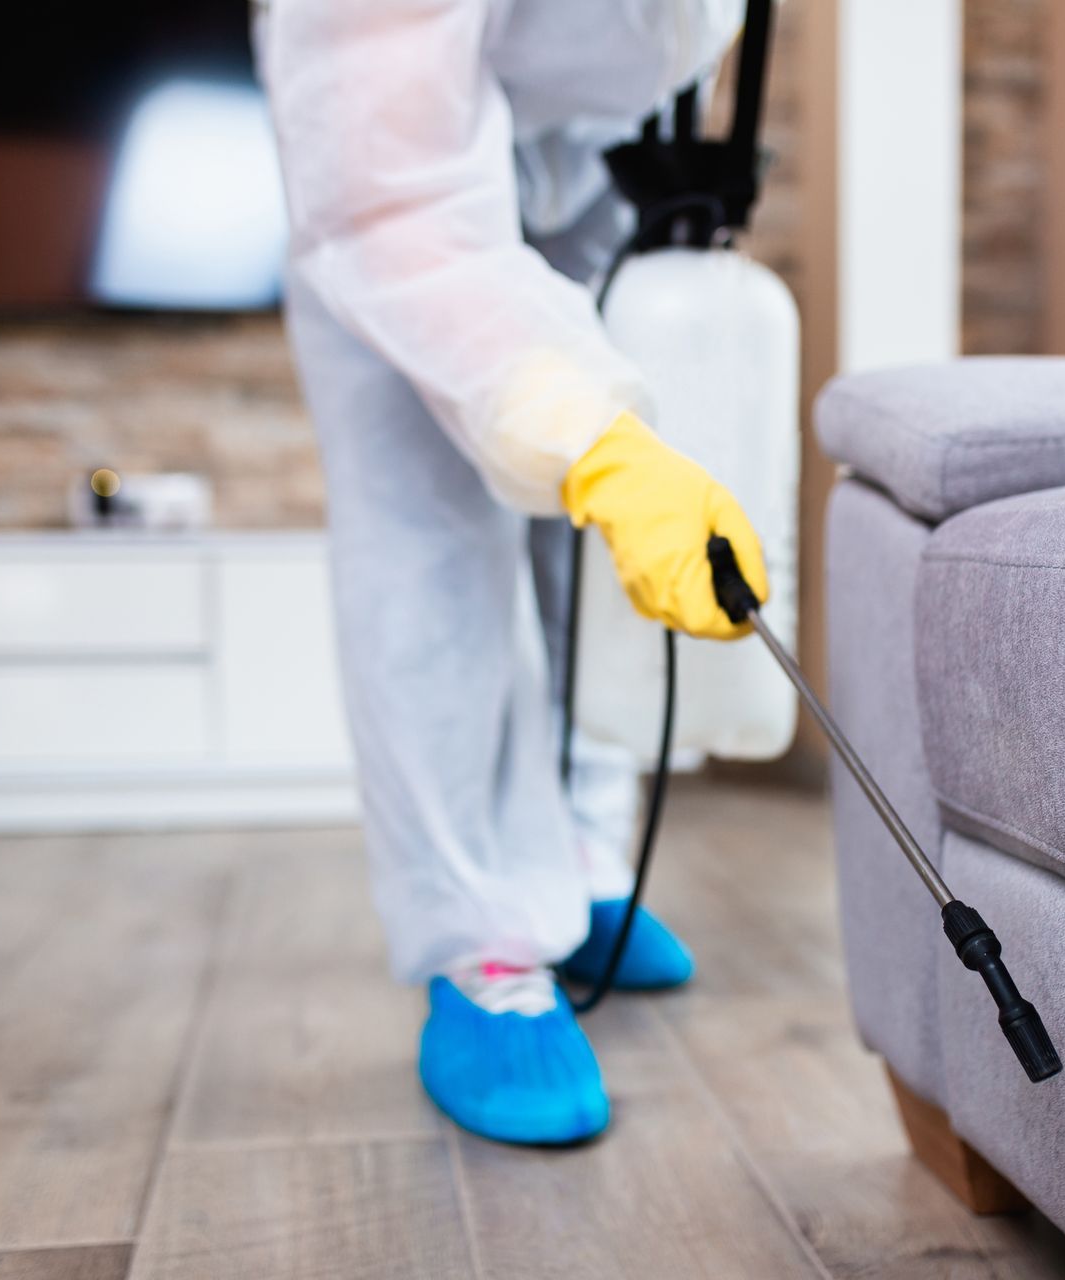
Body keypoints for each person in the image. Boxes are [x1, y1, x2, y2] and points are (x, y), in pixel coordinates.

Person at [256, 0, 769, 1146]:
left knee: (588, 503)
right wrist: (590, 437)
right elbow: (396, 207)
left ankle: (584, 852)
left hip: (594, 148)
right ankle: (480, 936)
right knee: (434, 516)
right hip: (394, 154)